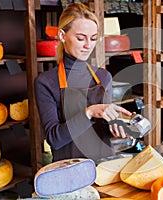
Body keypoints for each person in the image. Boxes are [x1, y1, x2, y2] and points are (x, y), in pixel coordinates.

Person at [34, 2, 132, 162]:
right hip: (68, 169)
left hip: (103, 168)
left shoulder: (103, 76)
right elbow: (54, 139)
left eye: (93, 38)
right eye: (81, 38)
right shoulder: (46, 82)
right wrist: (89, 112)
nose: (88, 45)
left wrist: (118, 126)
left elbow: (102, 129)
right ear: (62, 35)